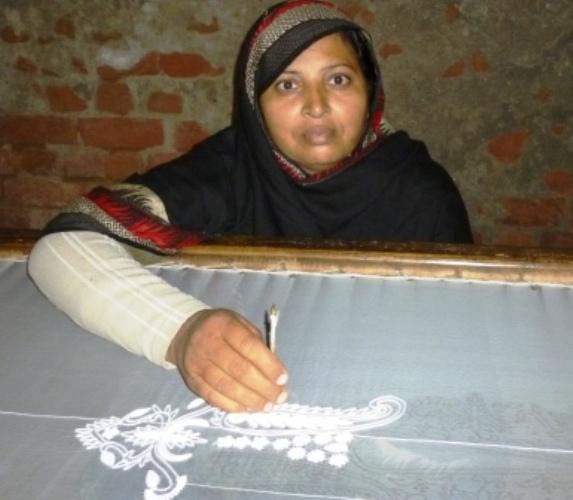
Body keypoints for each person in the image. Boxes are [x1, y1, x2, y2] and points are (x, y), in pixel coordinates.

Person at [28, 0, 472, 413]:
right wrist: (181, 332)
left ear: (369, 89)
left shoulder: (421, 193)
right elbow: (66, 244)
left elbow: (459, 345)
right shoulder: (231, 169)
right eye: (287, 84)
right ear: (255, 103)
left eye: (338, 79)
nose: (316, 106)